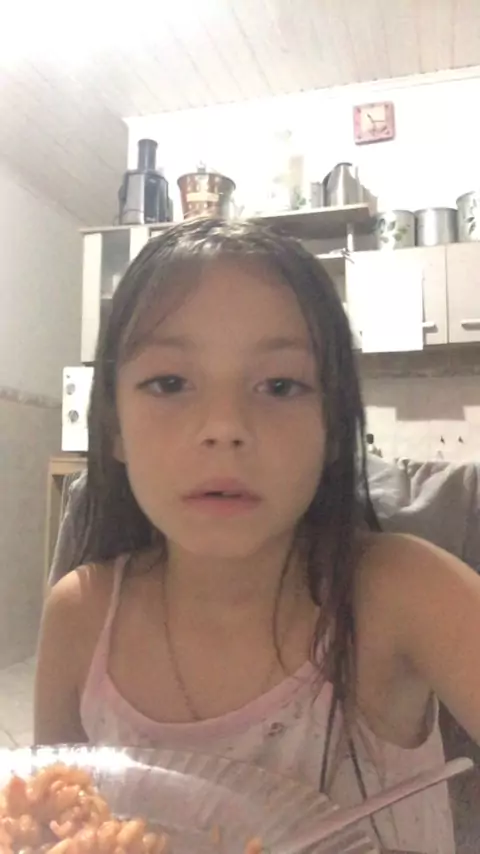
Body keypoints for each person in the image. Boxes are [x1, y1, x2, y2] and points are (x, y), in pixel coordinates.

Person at [36, 219, 480, 853]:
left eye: (279, 385)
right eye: (169, 383)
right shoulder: (81, 618)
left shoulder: (400, 594)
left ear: (334, 430)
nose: (224, 426)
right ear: (113, 428)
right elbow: (51, 823)